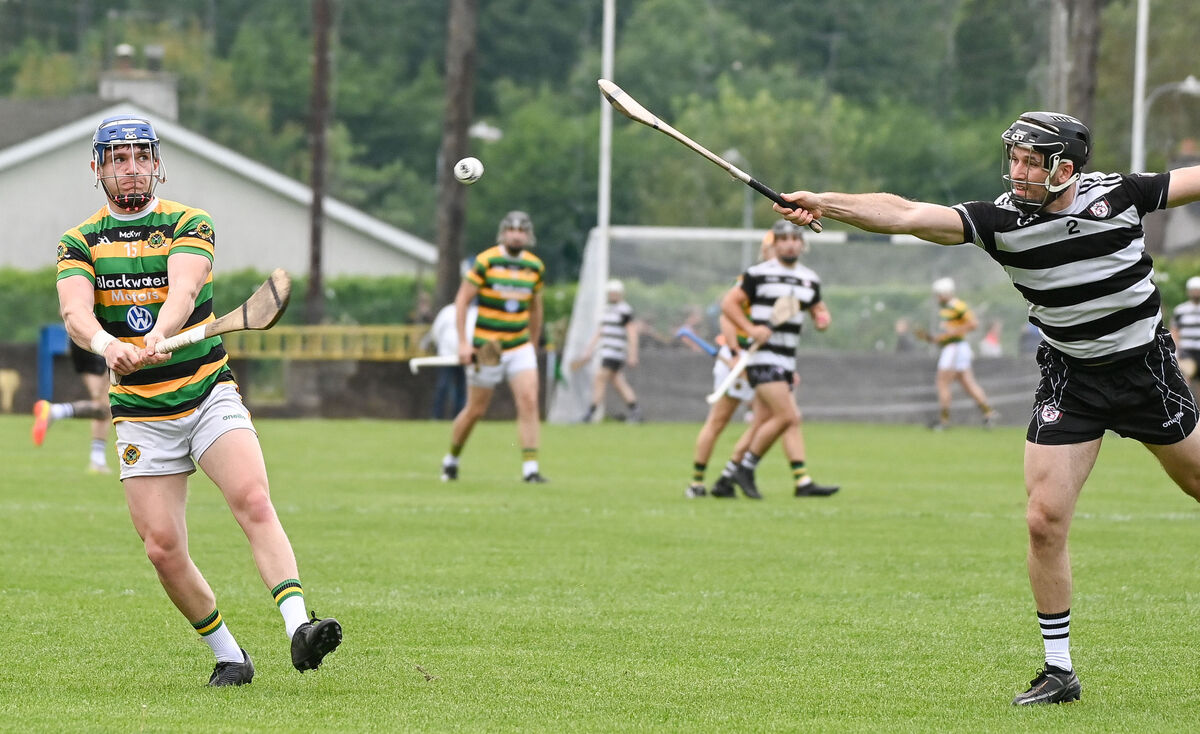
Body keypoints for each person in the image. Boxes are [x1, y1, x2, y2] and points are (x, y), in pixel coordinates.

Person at [774, 110, 1200, 705]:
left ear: (1066, 169)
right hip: (1071, 379)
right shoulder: (999, 220)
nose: (1017, 171)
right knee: (1043, 519)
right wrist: (825, 201)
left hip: (1145, 372)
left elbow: (1192, 179)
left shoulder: (1121, 194)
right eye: (1015, 159)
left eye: (1031, 162)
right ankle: (1059, 671)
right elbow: (906, 214)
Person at [55, 114, 342, 687]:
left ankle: (297, 628)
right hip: (141, 413)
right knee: (162, 548)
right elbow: (74, 312)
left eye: (140, 157)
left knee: (253, 499)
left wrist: (160, 333)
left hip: (208, 392)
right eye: (118, 159)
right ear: (98, 169)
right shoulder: (79, 241)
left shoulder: (190, 222)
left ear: (156, 163)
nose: (131, 168)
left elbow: (185, 286)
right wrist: (110, 344)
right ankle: (229, 655)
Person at [706, 219, 840, 499]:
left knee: (771, 420)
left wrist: (822, 319)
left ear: (802, 245)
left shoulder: (809, 279)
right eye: (784, 239)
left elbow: (818, 309)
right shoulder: (758, 274)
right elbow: (728, 304)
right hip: (762, 357)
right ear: (775, 244)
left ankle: (730, 477)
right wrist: (753, 328)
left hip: (788, 358)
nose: (790, 243)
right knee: (789, 416)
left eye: (795, 238)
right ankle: (747, 468)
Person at [440, 210, 548, 483]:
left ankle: (530, 469)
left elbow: (535, 308)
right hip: (488, 347)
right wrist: (464, 343)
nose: (516, 234)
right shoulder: (486, 262)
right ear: (503, 233)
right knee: (476, 410)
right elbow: (462, 300)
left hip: (518, 344)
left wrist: (533, 344)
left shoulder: (534, 267)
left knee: (529, 401)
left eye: (522, 230)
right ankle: (451, 459)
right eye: (511, 229)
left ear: (528, 235)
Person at [921, 277, 1000, 430]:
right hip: (956, 347)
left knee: (942, 383)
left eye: (939, 294)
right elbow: (952, 330)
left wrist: (950, 335)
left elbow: (973, 324)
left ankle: (944, 422)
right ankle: (989, 414)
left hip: (955, 348)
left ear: (946, 293)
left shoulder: (956, 305)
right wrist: (940, 338)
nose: (937, 298)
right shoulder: (948, 308)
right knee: (968, 384)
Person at [31, 341, 114, 472]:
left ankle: (97, 461)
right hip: (99, 342)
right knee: (104, 407)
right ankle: (56, 411)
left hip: (79, 341)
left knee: (103, 406)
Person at [578, 279, 641, 423]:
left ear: (620, 294)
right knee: (618, 382)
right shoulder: (606, 309)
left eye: (615, 293)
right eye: (611, 293)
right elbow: (600, 331)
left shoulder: (625, 310)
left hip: (615, 352)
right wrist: (589, 349)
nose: (613, 296)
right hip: (606, 351)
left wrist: (633, 354)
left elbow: (632, 333)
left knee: (599, 377)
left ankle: (590, 413)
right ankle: (635, 410)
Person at [421, 298, 477, 419]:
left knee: (462, 388)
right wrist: (442, 347)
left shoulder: (473, 312)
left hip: (465, 358)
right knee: (443, 386)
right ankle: (437, 416)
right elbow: (436, 331)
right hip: (446, 356)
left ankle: (458, 417)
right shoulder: (447, 311)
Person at [1169, 276, 1200, 393]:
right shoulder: (1180, 310)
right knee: (1185, 382)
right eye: (1193, 290)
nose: (1195, 292)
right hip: (1187, 352)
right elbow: (1175, 330)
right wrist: (1176, 351)